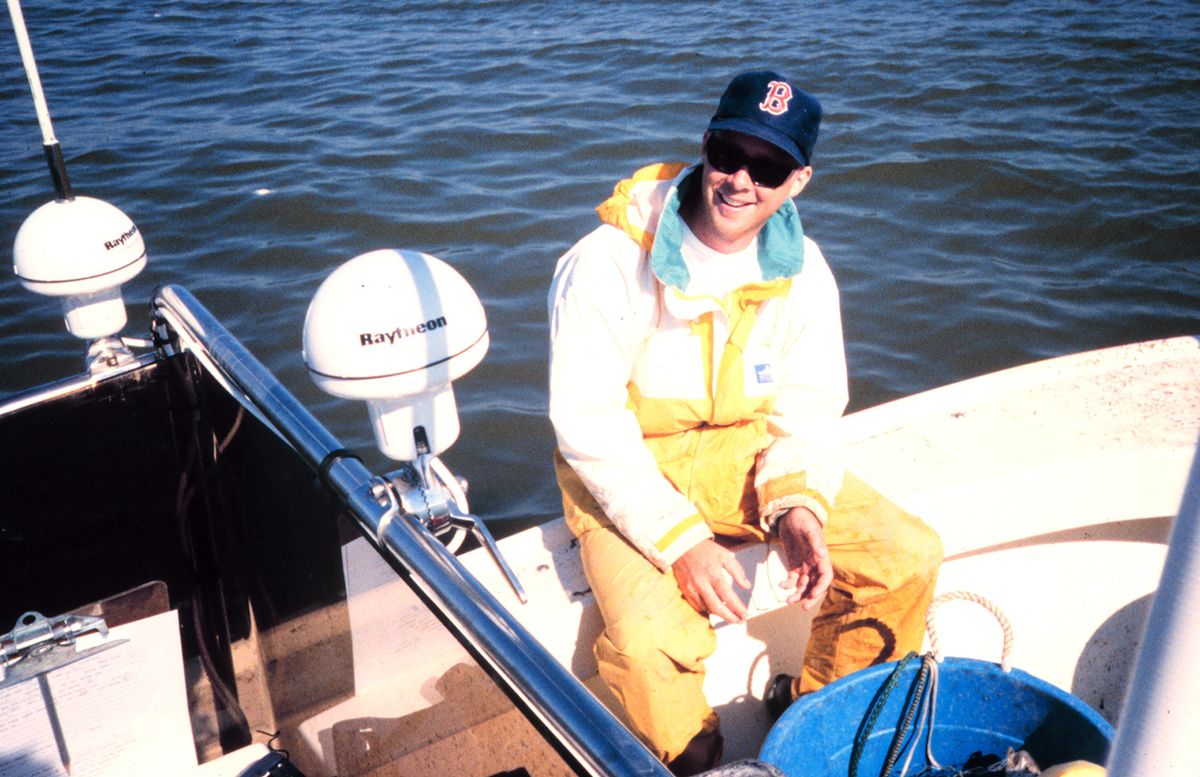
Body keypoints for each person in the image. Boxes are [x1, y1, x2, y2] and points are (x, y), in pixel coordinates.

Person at [546, 71, 943, 776]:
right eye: (730, 153)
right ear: (705, 147)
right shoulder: (603, 263)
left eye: (769, 167)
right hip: (628, 464)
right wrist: (684, 542)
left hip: (746, 452)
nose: (740, 180)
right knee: (644, 646)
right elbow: (589, 425)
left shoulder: (805, 273)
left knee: (903, 557)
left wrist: (797, 508)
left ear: (800, 181)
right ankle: (697, 757)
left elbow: (808, 411)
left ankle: (820, 724)